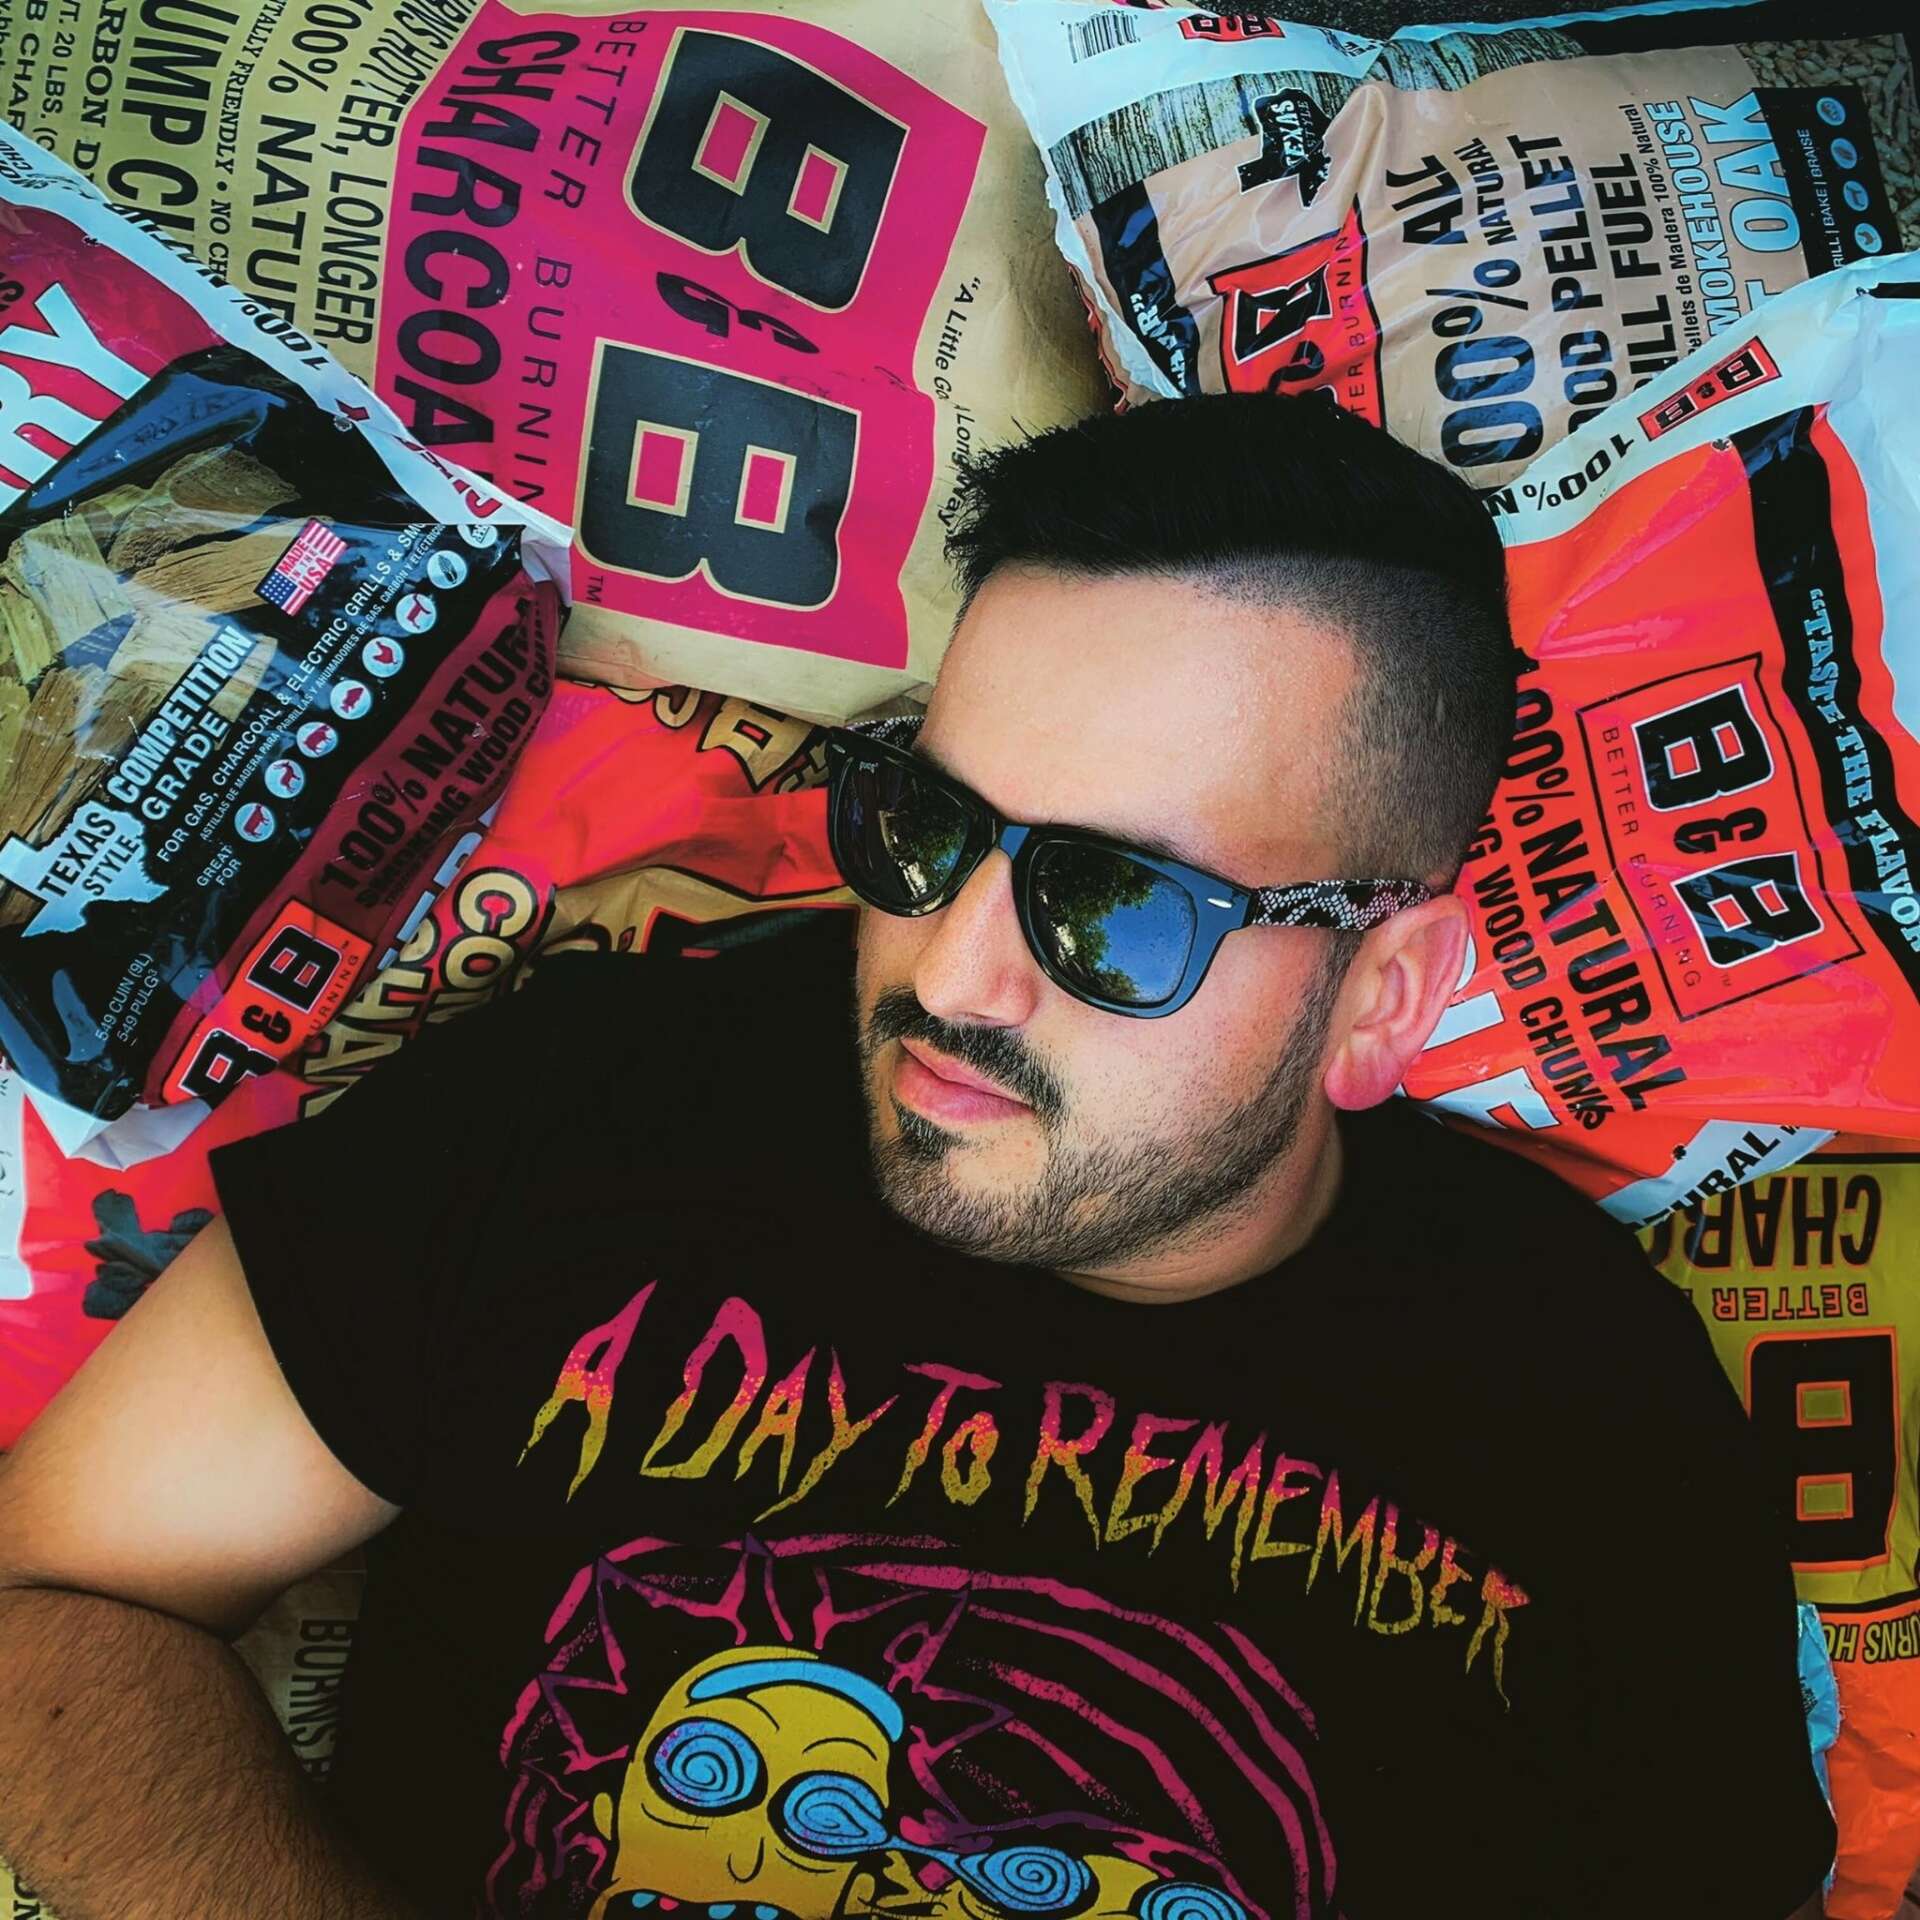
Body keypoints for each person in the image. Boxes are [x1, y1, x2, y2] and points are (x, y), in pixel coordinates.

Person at [0, 395, 1834, 1920]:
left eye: (1116, 904)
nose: (951, 977)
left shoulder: (1585, 1403)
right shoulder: (602, 1099)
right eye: (927, 825)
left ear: (1382, 995)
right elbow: (50, 1599)